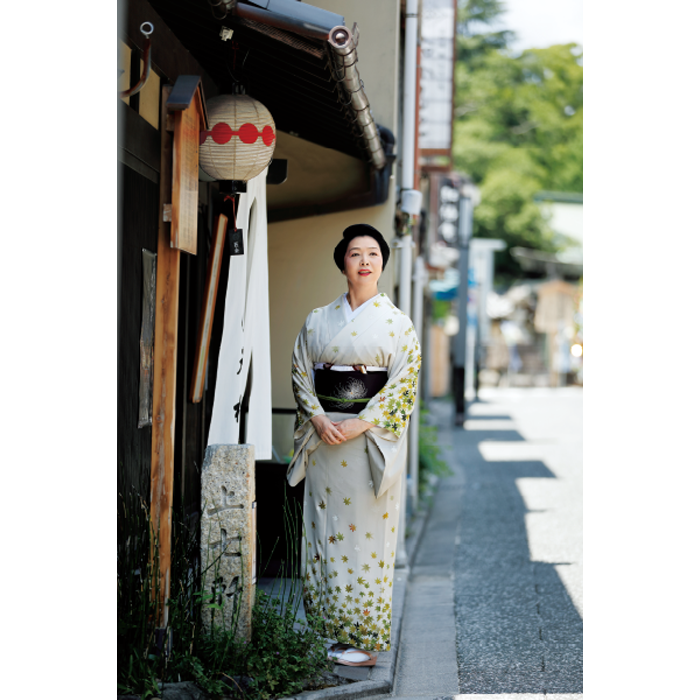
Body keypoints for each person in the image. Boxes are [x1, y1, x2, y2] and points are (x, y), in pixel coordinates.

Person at [287, 224, 421, 667]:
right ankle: (327, 630)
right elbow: (301, 370)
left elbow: (403, 385)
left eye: (373, 255)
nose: (364, 261)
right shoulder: (317, 319)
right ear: (342, 262)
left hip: (366, 445)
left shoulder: (398, 325)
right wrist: (318, 416)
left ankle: (363, 638)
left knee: (366, 538)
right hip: (326, 438)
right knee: (323, 532)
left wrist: (364, 423)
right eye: (355, 254)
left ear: (382, 263)